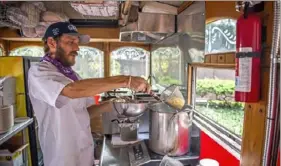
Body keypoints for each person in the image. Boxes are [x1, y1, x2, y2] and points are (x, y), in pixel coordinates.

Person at [28, 22, 151, 166]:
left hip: (85, 156)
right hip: (62, 159)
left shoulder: (73, 76)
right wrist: (126, 80)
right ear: (51, 42)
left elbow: (85, 111)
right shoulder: (39, 72)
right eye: (71, 42)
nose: (77, 48)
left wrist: (114, 104)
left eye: (77, 42)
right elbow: (71, 91)